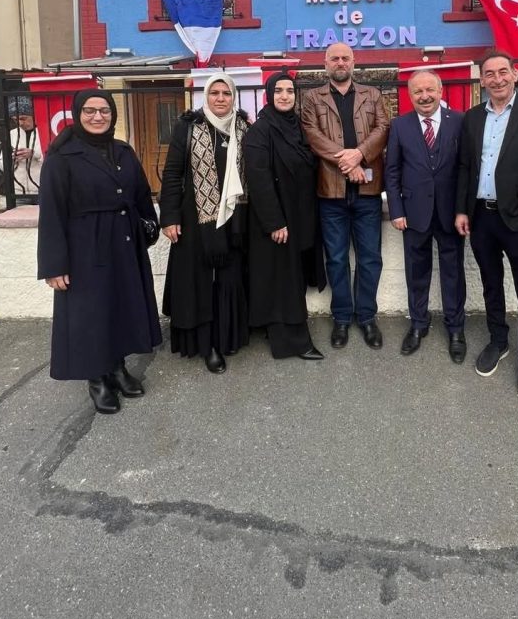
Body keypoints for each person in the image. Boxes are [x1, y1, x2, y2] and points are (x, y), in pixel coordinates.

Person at [37, 90, 162, 414]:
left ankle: (117, 368)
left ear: (112, 115)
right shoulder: (62, 156)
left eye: (104, 111)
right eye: (90, 111)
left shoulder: (123, 151)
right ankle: (97, 378)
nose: (98, 117)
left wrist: (149, 224)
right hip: (84, 248)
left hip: (123, 243)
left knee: (121, 306)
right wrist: (54, 265)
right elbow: (51, 213)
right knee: (91, 314)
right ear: (78, 114)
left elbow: (141, 193)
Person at [455, 50, 518, 401]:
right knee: (490, 284)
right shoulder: (472, 117)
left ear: (514, 74)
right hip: (481, 216)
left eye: (502, 72)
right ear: (481, 80)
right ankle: (499, 341)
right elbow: (466, 167)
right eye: (489, 73)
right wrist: (462, 210)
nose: (496, 79)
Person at [300, 42, 390, 350]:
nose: (340, 62)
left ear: (354, 62)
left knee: (370, 258)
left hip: (367, 193)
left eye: (345, 58)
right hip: (331, 192)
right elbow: (312, 135)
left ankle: (366, 317)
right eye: (335, 58)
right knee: (337, 259)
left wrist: (360, 155)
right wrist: (349, 162)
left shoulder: (372, 94)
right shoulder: (312, 98)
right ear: (325, 64)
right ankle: (341, 317)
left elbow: (383, 128)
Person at [159, 73, 249, 374]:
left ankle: (227, 337)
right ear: (206, 96)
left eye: (226, 93)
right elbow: (172, 173)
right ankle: (206, 343)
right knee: (199, 281)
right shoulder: (188, 127)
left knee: (228, 278)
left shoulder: (243, 127)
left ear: (233, 97)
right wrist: (169, 217)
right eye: (214, 93)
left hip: (235, 217)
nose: (220, 98)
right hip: (195, 219)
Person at [386, 70, 467, 362]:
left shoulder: (459, 121)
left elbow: (466, 168)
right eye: (418, 91)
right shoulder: (400, 125)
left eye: (429, 90)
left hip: (450, 214)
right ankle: (419, 323)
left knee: (453, 273)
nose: (424, 96)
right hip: (413, 213)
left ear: (440, 90)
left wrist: (463, 209)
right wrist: (396, 210)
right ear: (410, 95)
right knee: (416, 272)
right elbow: (392, 171)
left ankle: (455, 328)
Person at [245, 71, 325, 360]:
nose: (284, 96)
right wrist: (275, 222)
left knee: (293, 277)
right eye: (278, 90)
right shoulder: (261, 130)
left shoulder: (297, 126)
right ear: (269, 94)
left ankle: (279, 330)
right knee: (284, 280)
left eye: (289, 91)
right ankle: (293, 341)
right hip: (279, 220)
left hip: (300, 215)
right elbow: (259, 179)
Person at [0, 95, 43, 196]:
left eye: (23, 118)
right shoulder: (12, 134)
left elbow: (57, 162)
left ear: (34, 115)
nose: (20, 123)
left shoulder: (46, 132)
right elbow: (1, 164)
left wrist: (35, 155)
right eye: (15, 120)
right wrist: (11, 159)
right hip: (18, 191)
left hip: (42, 190)